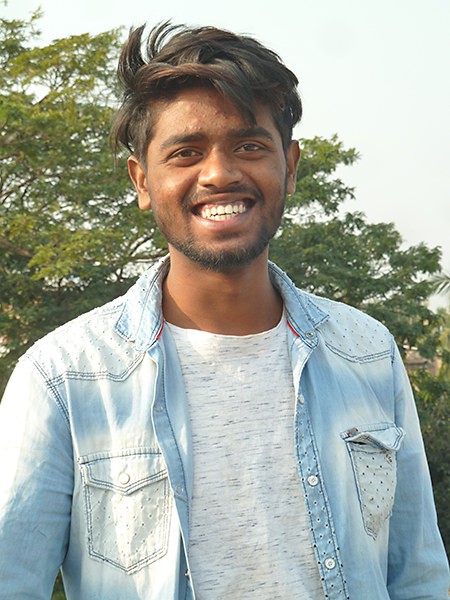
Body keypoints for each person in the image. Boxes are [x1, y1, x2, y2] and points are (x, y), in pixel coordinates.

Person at [0, 22, 448, 600]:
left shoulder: (367, 353)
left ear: (290, 166)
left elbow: (418, 577)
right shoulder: (64, 377)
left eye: (249, 147)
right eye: (186, 152)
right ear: (142, 180)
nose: (219, 173)